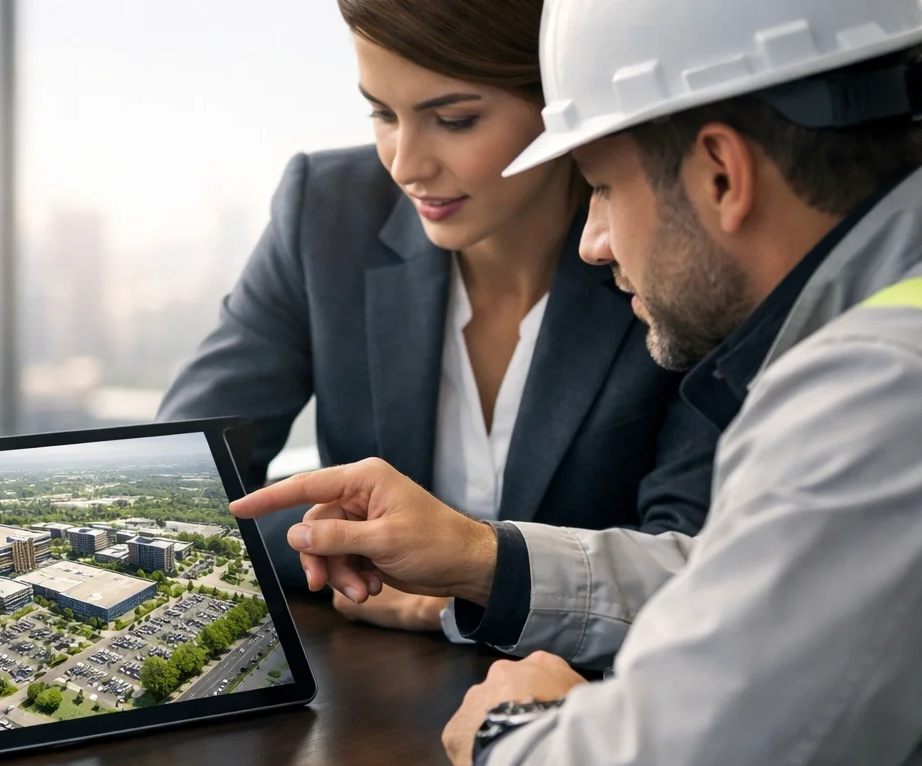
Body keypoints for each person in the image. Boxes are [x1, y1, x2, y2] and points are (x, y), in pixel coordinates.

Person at [231, 1, 922, 766]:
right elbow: (764, 578)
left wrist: (517, 727)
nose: (595, 241)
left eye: (601, 187)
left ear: (722, 175)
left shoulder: (888, 394)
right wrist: (494, 567)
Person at [157, 0, 717, 636]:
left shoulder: (672, 255)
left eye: (454, 120)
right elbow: (182, 482)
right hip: (374, 705)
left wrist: (459, 592)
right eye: (382, 113)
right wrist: (367, 545)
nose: (405, 165)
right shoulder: (326, 211)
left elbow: (699, 566)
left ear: (562, 99)